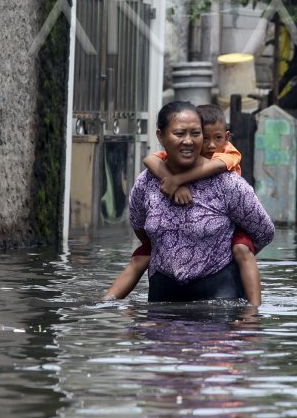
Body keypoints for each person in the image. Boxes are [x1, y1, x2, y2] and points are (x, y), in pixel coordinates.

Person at [105, 104, 264, 304]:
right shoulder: (147, 182)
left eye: (195, 134)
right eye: (179, 133)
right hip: (163, 295)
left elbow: (263, 231)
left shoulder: (227, 181)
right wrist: (166, 244)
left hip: (218, 298)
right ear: (160, 136)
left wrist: (225, 253)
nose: (188, 141)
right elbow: (139, 225)